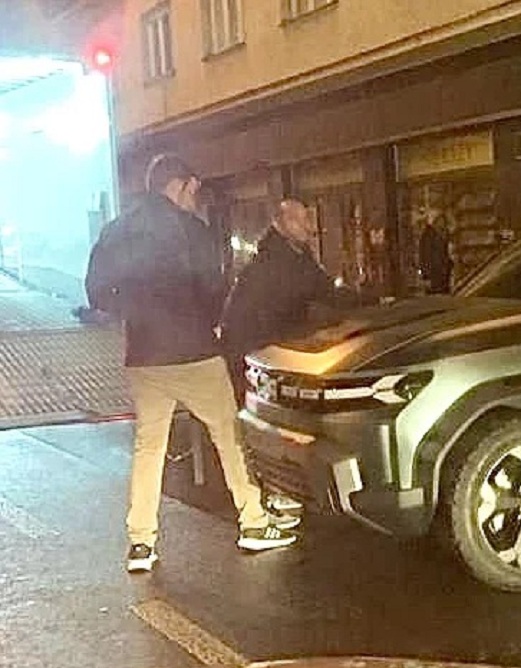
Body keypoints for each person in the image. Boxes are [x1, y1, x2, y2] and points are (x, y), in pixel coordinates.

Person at [85, 153, 298, 573]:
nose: (194, 199)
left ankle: (141, 543)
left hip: (144, 355)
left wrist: (133, 313)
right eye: (192, 190)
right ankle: (254, 522)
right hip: (194, 351)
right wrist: (205, 322)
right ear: (179, 185)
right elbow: (215, 287)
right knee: (228, 434)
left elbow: (96, 290)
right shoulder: (191, 229)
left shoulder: (117, 229)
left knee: (149, 447)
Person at [220, 198, 354, 401]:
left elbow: (324, 290)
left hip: (264, 347)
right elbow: (319, 293)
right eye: (302, 220)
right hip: (252, 350)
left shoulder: (296, 255)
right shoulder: (276, 261)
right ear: (283, 222)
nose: (309, 227)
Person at [417, 213, 452, 294]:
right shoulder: (428, 235)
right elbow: (424, 255)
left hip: (443, 272)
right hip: (433, 271)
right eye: (440, 221)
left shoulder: (444, 234)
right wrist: (425, 274)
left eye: (443, 222)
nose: (442, 224)